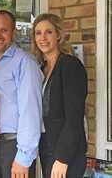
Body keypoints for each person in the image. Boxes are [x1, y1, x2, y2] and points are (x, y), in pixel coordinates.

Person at [0, 10, 43, 178]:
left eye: (4, 30)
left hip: (13, 147)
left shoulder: (25, 62)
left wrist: (23, 157)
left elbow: (31, 111)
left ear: (13, 32)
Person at [32, 13, 87, 178]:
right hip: (47, 144)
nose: (43, 37)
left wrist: (63, 157)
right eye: (38, 33)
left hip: (65, 151)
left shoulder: (70, 65)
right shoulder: (41, 68)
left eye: (48, 32)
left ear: (58, 35)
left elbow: (74, 117)